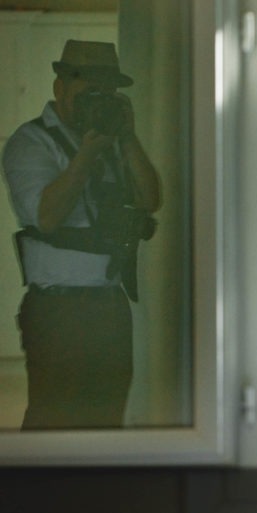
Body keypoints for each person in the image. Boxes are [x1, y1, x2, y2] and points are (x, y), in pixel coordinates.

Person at [1, 40, 161, 429]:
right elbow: (46, 217)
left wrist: (127, 137)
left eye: (106, 90)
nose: (97, 98)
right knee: (53, 423)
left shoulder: (113, 140)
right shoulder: (31, 141)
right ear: (60, 87)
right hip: (58, 311)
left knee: (106, 423)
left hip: (109, 305)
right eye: (87, 88)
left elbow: (151, 200)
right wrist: (86, 156)